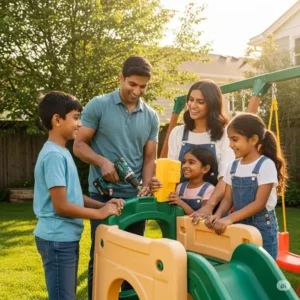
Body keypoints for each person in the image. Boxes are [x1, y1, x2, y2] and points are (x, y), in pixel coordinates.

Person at [73, 55, 159, 299]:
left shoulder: (151, 116)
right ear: (121, 78)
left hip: (134, 199)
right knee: (102, 256)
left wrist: (144, 186)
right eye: (132, 84)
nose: (137, 91)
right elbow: (79, 145)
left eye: (143, 87)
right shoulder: (99, 105)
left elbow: (150, 158)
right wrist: (102, 162)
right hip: (103, 197)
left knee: (134, 259)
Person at [33, 91, 124, 300]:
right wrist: (99, 213)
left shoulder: (62, 152)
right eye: (75, 117)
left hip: (64, 239)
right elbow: (62, 206)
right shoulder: (55, 156)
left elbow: (74, 196)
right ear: (57, 120)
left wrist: (103, 203)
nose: (80, 124)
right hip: (57, 240)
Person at [205, 113, 287, 259]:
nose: (231, 145)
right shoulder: (233, 166)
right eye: (229, 140)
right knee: (243, 268)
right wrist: (217, 215)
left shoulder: (265, 165)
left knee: (264, 271)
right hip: (239, 225)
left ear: (254, 139)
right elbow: (227, 200)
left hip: (262, 227)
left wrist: (229, 219)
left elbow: (259, 203)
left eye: (235, 139)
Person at [163, 80, 234, 218]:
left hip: (214, 210)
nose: (193, 105)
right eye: (191, 100)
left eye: (200, 102)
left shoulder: (225, 134)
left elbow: (225, 178)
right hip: (179, 208)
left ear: (212, 105)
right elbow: (172, 174)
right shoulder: (177, 133)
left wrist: (208, 207)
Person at [167, 147, 216, 214]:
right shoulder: (180, 187)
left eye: (191, 162)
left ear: (205, 169)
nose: (184, 166)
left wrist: (181, 203)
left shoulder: (209, 189)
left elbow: (201, 216)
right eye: (184, 162)